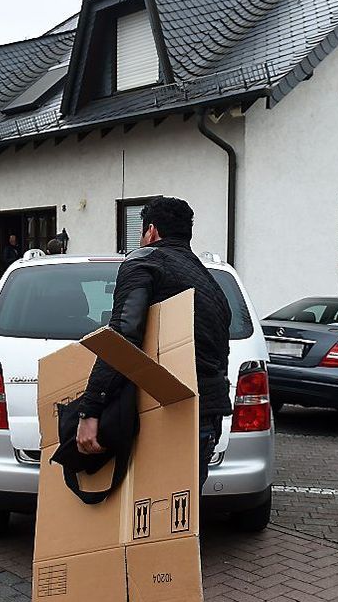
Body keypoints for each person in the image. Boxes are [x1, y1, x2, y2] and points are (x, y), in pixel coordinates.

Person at [75, 196, 232, 490]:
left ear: (151, 231)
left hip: (161, 413)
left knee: (143, 518)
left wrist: (90, 410)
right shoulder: (211, 284)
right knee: (179, 519)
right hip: (207, 414)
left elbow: (123, 335)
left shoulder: (144, 261)